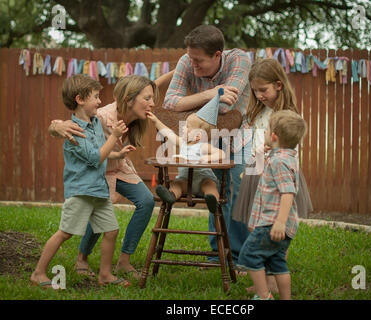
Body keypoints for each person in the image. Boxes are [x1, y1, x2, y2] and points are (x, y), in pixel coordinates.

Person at [48, 74, 168, 279]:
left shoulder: (136, 116)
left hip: (118, 165)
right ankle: (82, 257)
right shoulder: (102, 116)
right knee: (100, 207)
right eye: (147, 99)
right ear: (129, 98)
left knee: (146, 201)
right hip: (98, 170)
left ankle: (124, 260)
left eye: (152, 98)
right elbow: (69, 123)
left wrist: (180, 67)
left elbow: (151, 85)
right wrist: (56, 126)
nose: (152, 103)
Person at [31, 74, 131, 288]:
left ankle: (105, 275)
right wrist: (114, 137)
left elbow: (99, 153)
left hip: (98, 190)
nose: (99, 101)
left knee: (111, 231)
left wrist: (117, 154)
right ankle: (38, 273)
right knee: (65, 233)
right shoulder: (74, 131)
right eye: (95, 96)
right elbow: (95, 159)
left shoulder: (94, 123)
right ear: (80, 99)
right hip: (81, 191)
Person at [163, 24, 252, 265]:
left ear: (217, 55)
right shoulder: (187, 60)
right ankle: (218, 254)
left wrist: (190, 104)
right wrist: (211, 93)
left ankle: (241, 256)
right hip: (199, 138)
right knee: (213, 187)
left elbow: (226, 108)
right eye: (191, 59)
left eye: (199, 60)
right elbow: (170, 102)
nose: (192, 65)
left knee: (232, 188)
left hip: (237, 138)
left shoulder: (240, 60)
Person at [232, 58, 313, 291]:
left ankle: (272, 280)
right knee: (256, 224)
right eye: (255, 91)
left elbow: (290, 150)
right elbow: (254, 142)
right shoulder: (259, 111)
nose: (258, 95)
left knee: (276, 223)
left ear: (278, 85)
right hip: (257, 172)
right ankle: (266, 276)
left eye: (263, 90)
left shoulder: (286, 115)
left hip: (277, 176)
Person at [237, 110, 307, 300]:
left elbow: (288, 193)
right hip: (280, 224)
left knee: (249, 255)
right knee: (277, 263)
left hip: (272, 223)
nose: (265, 132)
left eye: (267, 129)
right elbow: (263, 175)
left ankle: (264, 296)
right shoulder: (286, 156)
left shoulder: (278, 161)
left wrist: (280, 223)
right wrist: (260, 154)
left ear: (274, 136)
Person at [147, 89, 226, 213]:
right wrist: (156, 121)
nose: (183, 128)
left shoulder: (203, 146)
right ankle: (171, 196)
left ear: (198, 136)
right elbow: (168, 134)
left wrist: (207, 158)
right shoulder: (182, 143)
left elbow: (222, 153)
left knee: (210, 185)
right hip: (185, 180)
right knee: (177, 184)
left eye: (187, 127)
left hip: (203, 179)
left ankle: (213, 200)